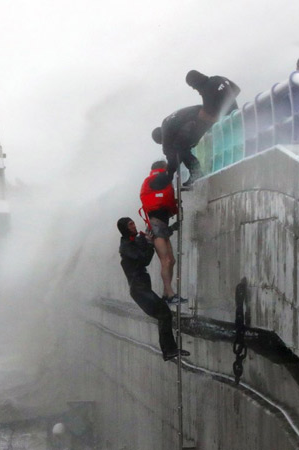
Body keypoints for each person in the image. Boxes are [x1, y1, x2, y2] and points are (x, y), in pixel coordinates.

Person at [117, 217, 190, 361]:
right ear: (125, 228)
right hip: (139, 290)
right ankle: (169, 350)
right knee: (163, 313)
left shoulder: (134, 240)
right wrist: (149, 244)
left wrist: (171, 228)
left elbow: (151, 238)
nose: (133, 225)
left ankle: (169, 350)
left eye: (133, 222)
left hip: (143, 288)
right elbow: (144, 259)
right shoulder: (125, 247)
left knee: (163, 313)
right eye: (130, 224)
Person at [139, 160, 186, 305]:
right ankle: (170, 294)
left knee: (171, 260)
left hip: (162, 226)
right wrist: (175, 159)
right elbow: (167, 177)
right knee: (165, 261)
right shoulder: (157, 179)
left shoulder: (156, 182)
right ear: (161, 169)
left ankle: (167, 294)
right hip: (156, 226)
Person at [151, 105, 208, 185]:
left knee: (180, 148)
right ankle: (195, 172)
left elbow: (170, 155)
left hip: (197, 118)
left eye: (161, 142)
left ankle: (196, 172)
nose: (162, 143)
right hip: (203, 110)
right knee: (181, 149)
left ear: (161, 138)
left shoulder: (166, 133)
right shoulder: (169, 124)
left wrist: (168, 175)